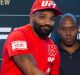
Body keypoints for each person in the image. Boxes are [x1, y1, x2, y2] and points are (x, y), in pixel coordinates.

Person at [1, 0, 62, 75]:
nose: (47, 22)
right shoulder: (18, 36)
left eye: (51, 19)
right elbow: (31, 71)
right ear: (32, 17)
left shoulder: (53, 48)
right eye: (42, 17)